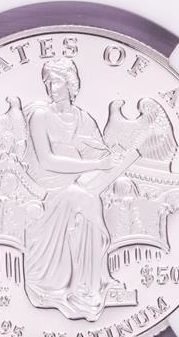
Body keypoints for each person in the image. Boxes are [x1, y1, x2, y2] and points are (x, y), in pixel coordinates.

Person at [23, 59, 125, 322]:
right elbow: (47, 161)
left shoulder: (84, 119)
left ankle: (90, 282)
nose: (50, 87)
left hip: (81, 186)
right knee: (85, 200)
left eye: (56, 81)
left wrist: (113, 160)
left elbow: (101, 155)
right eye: (47, 82)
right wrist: (96, 164)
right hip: (48, 190)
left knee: (87, 198)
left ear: (70, 84)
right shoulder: (40, 116)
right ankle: (84, 286)